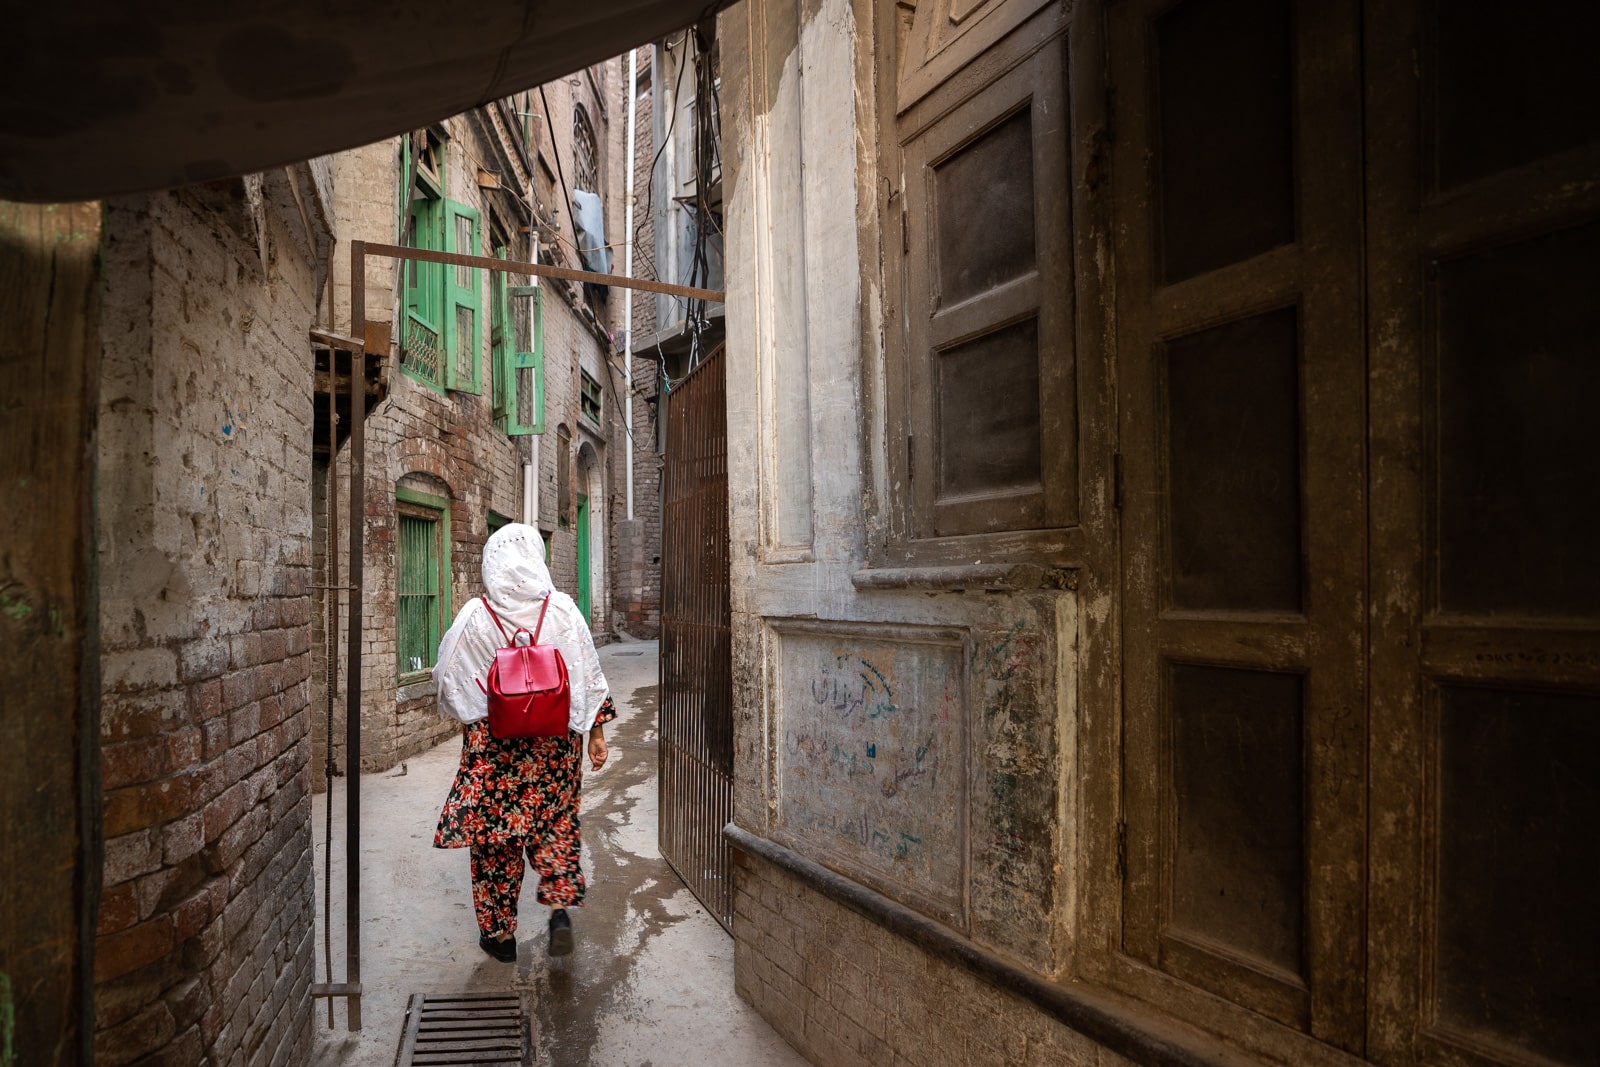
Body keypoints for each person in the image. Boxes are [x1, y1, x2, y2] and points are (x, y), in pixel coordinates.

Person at [430, 523, 616, 961]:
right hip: (554, 747)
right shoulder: (563, 610)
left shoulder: (475, 616)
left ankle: (500, 938)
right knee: (556, 825)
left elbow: (446, 679)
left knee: (496, 841)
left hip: (494, 750)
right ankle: (559, 909)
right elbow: (588, 674)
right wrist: (596, 733)